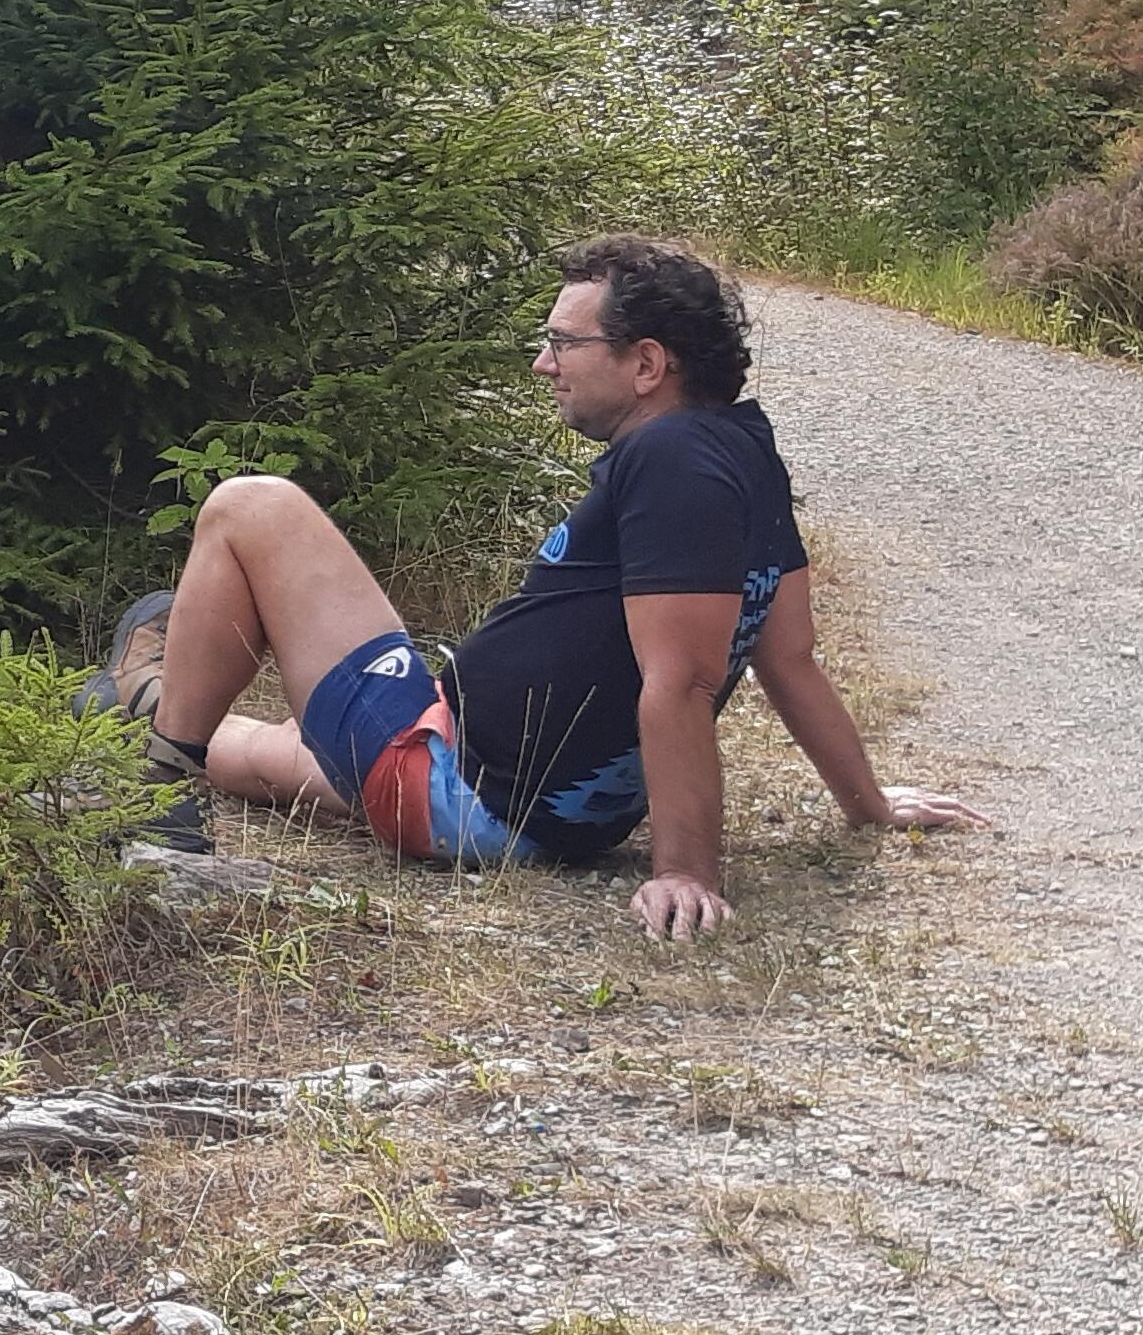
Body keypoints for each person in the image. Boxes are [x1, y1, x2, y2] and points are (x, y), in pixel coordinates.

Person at [90, 234, 987, 939]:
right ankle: (143, 701)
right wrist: (868, 806)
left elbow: (682, 680)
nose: (543, 362)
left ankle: (161, 776)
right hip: (517, 801)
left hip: (453, 786)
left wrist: (685, 872)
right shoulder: (742, 446)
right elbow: (790, 657)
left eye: (564, 341)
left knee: (251, 505)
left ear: (646, 364)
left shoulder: (670, 459)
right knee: (284, 755)